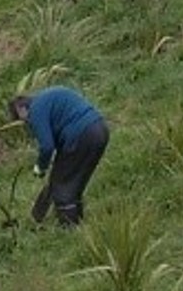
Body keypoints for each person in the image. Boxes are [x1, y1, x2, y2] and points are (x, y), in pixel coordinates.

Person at [9, 86, 109, 226]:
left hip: (82, 135)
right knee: (73, 182)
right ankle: (44, 219)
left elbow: (47, 146)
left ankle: (69, 230)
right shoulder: (47, 97)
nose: (27, 123)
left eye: (23, 120)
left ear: (21, 109)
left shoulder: (35, 110)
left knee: (63, 187)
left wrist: (40, 167)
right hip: (100, 129)